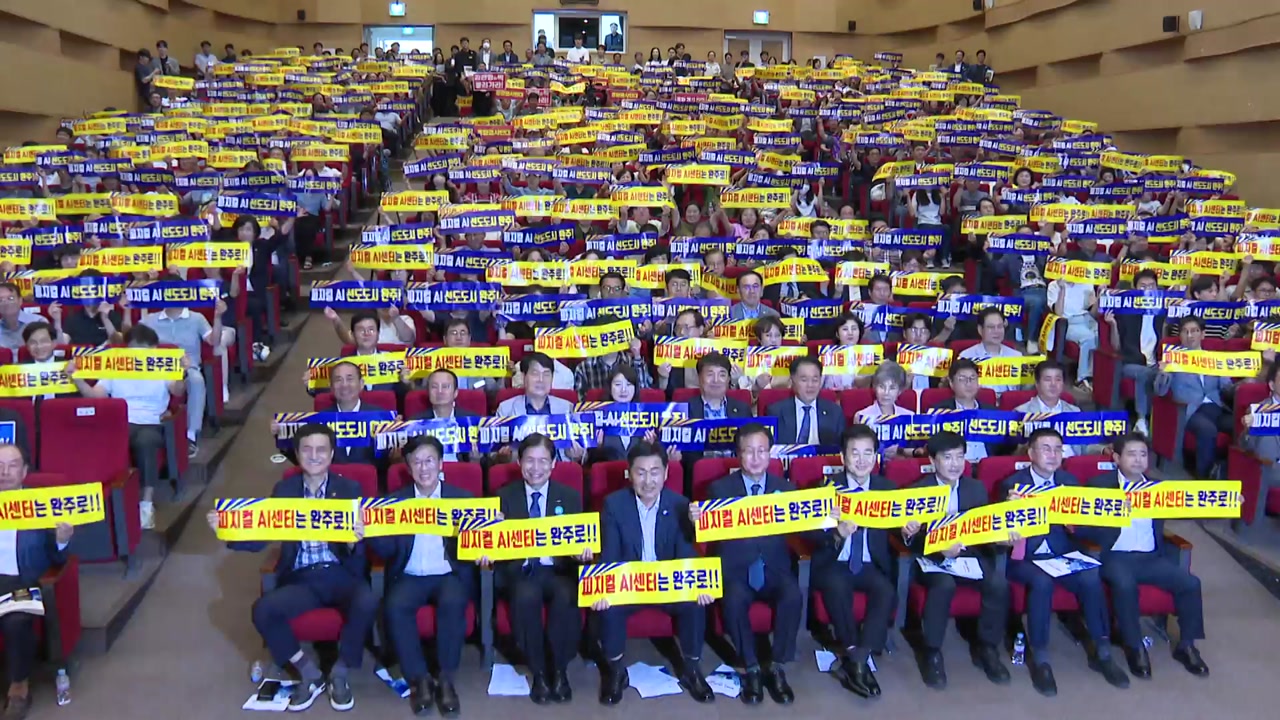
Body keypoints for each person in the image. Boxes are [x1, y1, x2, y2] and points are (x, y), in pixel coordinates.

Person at [207, 424, 376, 712]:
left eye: (321, 449)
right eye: (307, 449)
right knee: (263, 610)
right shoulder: (285, 491)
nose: (314, 455)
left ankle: (340, 671)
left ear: (331, 454)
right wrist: (227, 531)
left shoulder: (350, 490)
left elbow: (360, 549)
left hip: (340, 573)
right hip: (302, 577)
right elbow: (262, 536)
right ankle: (309, 673)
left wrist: (354, 541)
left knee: (367, 600)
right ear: (297, 454)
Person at [999, 428, 1129, 695]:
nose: (1053, 455)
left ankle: (1102, 651)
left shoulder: (1070, 483)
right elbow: (997, 533)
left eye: (1058, 449)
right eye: (1046, 449)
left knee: (1091, 576)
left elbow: (1085, 527)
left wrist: (1113, 514)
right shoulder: (1012, 485)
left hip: (1061, 554)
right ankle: (1041, 659)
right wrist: (1009, 514)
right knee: (1042, 582)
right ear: (1031, 453)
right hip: (1025, 559)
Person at [1080, 434, 1209, 679]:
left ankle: (1187, 645)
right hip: (1115, 556)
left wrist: (1229, 502)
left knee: (1190, 583)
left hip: (1151, 558)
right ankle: (1134, 646)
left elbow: (1189, 507)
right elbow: (1082, 529)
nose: (1138, 460)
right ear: (1116, 458)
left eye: (1143, 454)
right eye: (1131, 454)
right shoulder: (1098, 486)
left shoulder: (1158, 487)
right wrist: (1112, 513)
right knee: (1124, 584)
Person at [595, 441, 714, 705]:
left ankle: (692, 669)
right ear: (629, 474)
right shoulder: (614, 505)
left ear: (666, 473)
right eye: (640, 472)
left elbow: (686, 555)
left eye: (654, 472)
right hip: (629, 585)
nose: (648, 481)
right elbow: (611, 556)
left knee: (695, 602)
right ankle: (615, 671)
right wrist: (603, 589)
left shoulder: (680, 505)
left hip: (667, 584)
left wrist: (699, 585)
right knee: (608, 606)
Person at [368, 435, 476, 716]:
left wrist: (489, 533)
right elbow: (386, 550)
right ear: (408, 467)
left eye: (429, 461)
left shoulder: (463, 499)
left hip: (448, 573)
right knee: (395, 606)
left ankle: (446, 680)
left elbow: (477, 544)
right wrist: (369, 532)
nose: (424, 468)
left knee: (453, 602)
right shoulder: (394, 502)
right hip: (410, 574)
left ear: (441, 464)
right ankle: (420, 679)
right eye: (417, 462)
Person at [695, 424, 798, 704]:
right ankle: (751, 668)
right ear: (738, 454)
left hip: (774, 568)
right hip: (737, 571)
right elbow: (705, 533)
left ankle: (777, 667)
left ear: (770, 454)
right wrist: (696, 520)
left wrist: (830, 521)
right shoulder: (719, 489)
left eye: (761, 451)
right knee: (733, 599)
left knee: (792, 594)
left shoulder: (786, 489)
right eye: (748, 451)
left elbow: (806, 528)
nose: (755, 457)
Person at [903, 431, 1010, 689]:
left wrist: (1001, 539)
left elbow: (984, 532)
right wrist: (937, 547)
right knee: (943, 586)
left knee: (998, 584)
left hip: (968, 557)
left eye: (960, 457)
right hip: (932, 560)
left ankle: (987, 647)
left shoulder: (976, 488)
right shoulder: (917, 491)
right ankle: (932, 652)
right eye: (947, 457)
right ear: (932, 460)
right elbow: (911, 540)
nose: (955, 464)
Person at [493, 434, 588, 704]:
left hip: (557, 569)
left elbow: (582, 539)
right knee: (525, 595)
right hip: (521, 570)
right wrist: (491, 532)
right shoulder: (503, 496)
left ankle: (559, 670)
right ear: (519, 462)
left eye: (543, 461)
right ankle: (539, 672)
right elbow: (492, 545)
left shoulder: (569, 496)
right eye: (530, 460)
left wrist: (583, 552)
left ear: (554, 463)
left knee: (565, 594)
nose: (536, 468)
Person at [67, 325, 187, 530]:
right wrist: (76, 378)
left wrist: (181, 372)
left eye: (144, 350)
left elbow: (178, 390)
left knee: (146, 442)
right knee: (96, 440)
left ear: (154, 349)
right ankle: (98, 502)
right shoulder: (115, 367)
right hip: (119, 422)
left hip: (151, 422)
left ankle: (146, 503)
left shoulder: (163, 366)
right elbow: (95, 396)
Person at [810, 425, 895, 698]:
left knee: (885, 590)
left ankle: (859, 657)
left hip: (870, 563)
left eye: (867, 453)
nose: (861, 460)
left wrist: (909, 530)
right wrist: (836, 532)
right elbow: (810, 535)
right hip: (835, 562)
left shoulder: (887, 489)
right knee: (836, 585)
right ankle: (852, 651)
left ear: (876, 457)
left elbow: (899, 530)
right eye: (854, 453)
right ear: (843, 457)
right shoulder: (826, 489)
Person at [0, 442, 73, 719]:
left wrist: (62, 540)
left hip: (23, 582)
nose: (5, 472)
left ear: (24, 472)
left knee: (17, 621)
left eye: (12, 466)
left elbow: (57, 557)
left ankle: (19, 689)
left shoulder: (40, 506)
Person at [131, 292, 227, 457]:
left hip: (187, 367)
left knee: (196, 380)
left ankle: (190, 435)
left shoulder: (196, 318)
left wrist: (217, 317)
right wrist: (128, 310)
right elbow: (130, 339)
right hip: (157, 367)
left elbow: (214, 341)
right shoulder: (150, 320)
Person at [1153, 316, 1234, 478]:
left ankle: (1229, 471)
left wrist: (1237, 382)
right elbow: (1160, 391)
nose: (1190, 336)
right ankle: (1205, 477)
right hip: (1190, 409)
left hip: (1215, 406)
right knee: (1207, 430)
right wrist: (1163, 372)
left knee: (1236, 424)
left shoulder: (1213, 358)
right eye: (1185, 332)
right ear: (1180, 335)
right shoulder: (1172, 358)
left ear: (1202, 334)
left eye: (1194, 331)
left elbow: (1226, 386)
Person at [1105, 269, 1163, 434]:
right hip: (1130, 363)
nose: (1147, 290)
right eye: (1143, 286)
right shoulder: (1126, 313)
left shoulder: (1161, 314)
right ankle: (1142, 419)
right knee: (1146, 374)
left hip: (1156, 363)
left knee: (1165, 374)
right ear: (1135, 289)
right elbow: (1116, 347)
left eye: (1151, 286)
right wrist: (1113, 325)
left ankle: (1161, 422)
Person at [1015, 361, 1087, 457]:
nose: (1053, 384)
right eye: (1047, 379)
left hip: (1072, 462)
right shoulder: (1021, 413)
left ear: (1063, 384)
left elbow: (1085, 446)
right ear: (1037, 383)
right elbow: (1014, 452)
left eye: (1058, 379)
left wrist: (1102, 449)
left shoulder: (1075, 411)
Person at [768, 357, 844, 445]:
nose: (810, 385)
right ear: (792, 380)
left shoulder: (835, 412)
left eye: (815, 380)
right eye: (804, 380)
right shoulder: (776, 411)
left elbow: (841, 446)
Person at [409, 369, 479, 462]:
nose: (440, 391)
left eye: (445, 386)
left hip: (461, 468)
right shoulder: (415, 423)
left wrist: (475, 459)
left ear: (455, 392)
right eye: (434, 387)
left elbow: (486, 461)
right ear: (428, 392)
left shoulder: (471, 421)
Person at [1047, 271, 1098, 392]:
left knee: (1101, 336)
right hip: (1069, 322)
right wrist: (1062, 290)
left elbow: (1093, 313)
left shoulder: (1087, 283)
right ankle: (1081, 378)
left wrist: (1099, 299)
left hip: (1088, 319)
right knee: (1089, 338)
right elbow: (1058, 313)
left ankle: (1099, 377)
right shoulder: (1054, 285)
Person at [958, 307, 1021, 395]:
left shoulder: (1017, 356)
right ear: (980, 330)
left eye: (1000, 326)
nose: (997, 331)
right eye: (991, 327)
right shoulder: (966, 357)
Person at [0, 283, 44, 353]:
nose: (6, 303)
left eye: (10, 298)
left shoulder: (38, 322)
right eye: (0, 300)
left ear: (20, 301)